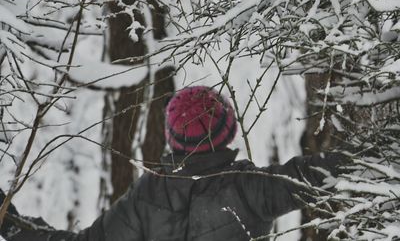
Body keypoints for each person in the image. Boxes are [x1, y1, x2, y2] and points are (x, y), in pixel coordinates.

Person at [0, 86, 349, 241]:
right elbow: (312, 175)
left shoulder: (146, 194)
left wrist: (11, 224)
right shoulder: (246, 185)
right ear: (225, 132)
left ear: (172, 137)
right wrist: (369, 158)